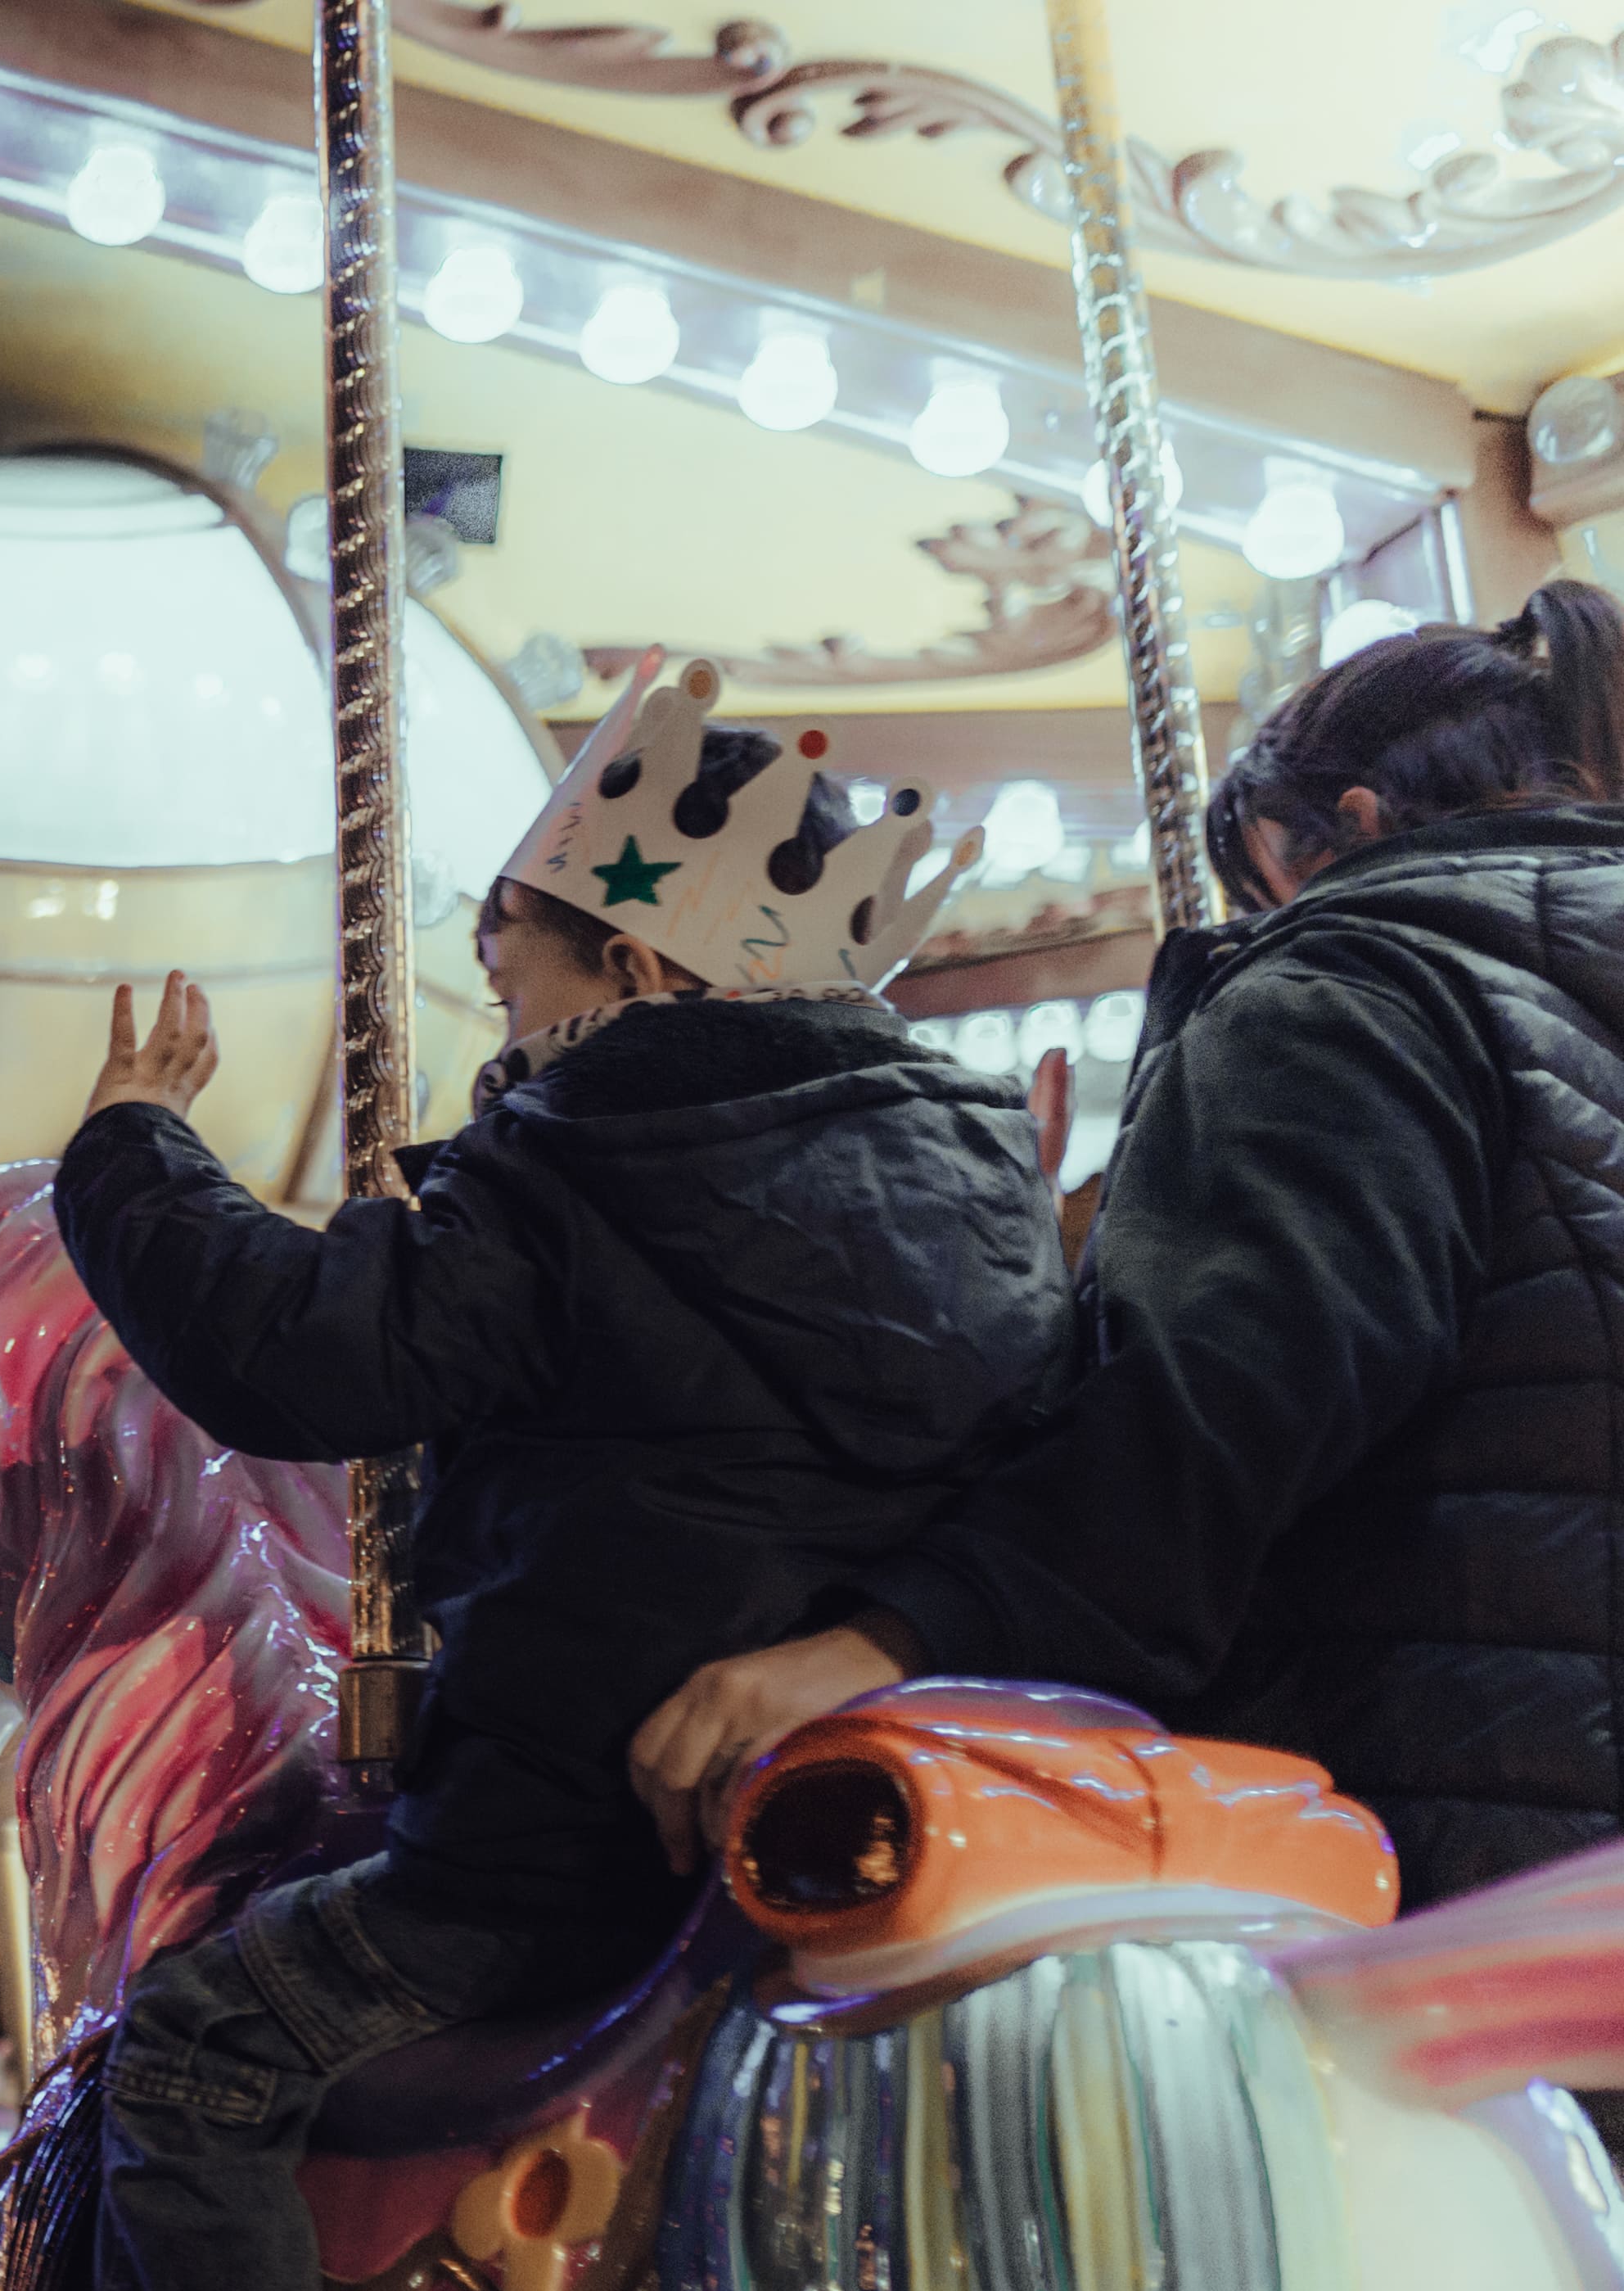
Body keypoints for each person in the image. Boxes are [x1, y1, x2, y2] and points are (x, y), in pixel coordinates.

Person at [14, 658, 1072, 2291]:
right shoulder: (970, 1174)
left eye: (509, 969)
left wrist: (132, 1159)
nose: (494, 1016)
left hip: (575, 1834)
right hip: (889, 1812)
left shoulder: (589, 1162)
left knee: (199, 2049)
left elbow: (305, 1359)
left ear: (639, 958)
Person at [630, 588, 1624, 1961]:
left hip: (1487, 1852)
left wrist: (899, 1636)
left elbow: (1231, 1383)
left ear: (1346, 829)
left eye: (1261, 888)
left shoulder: (1357, 980)